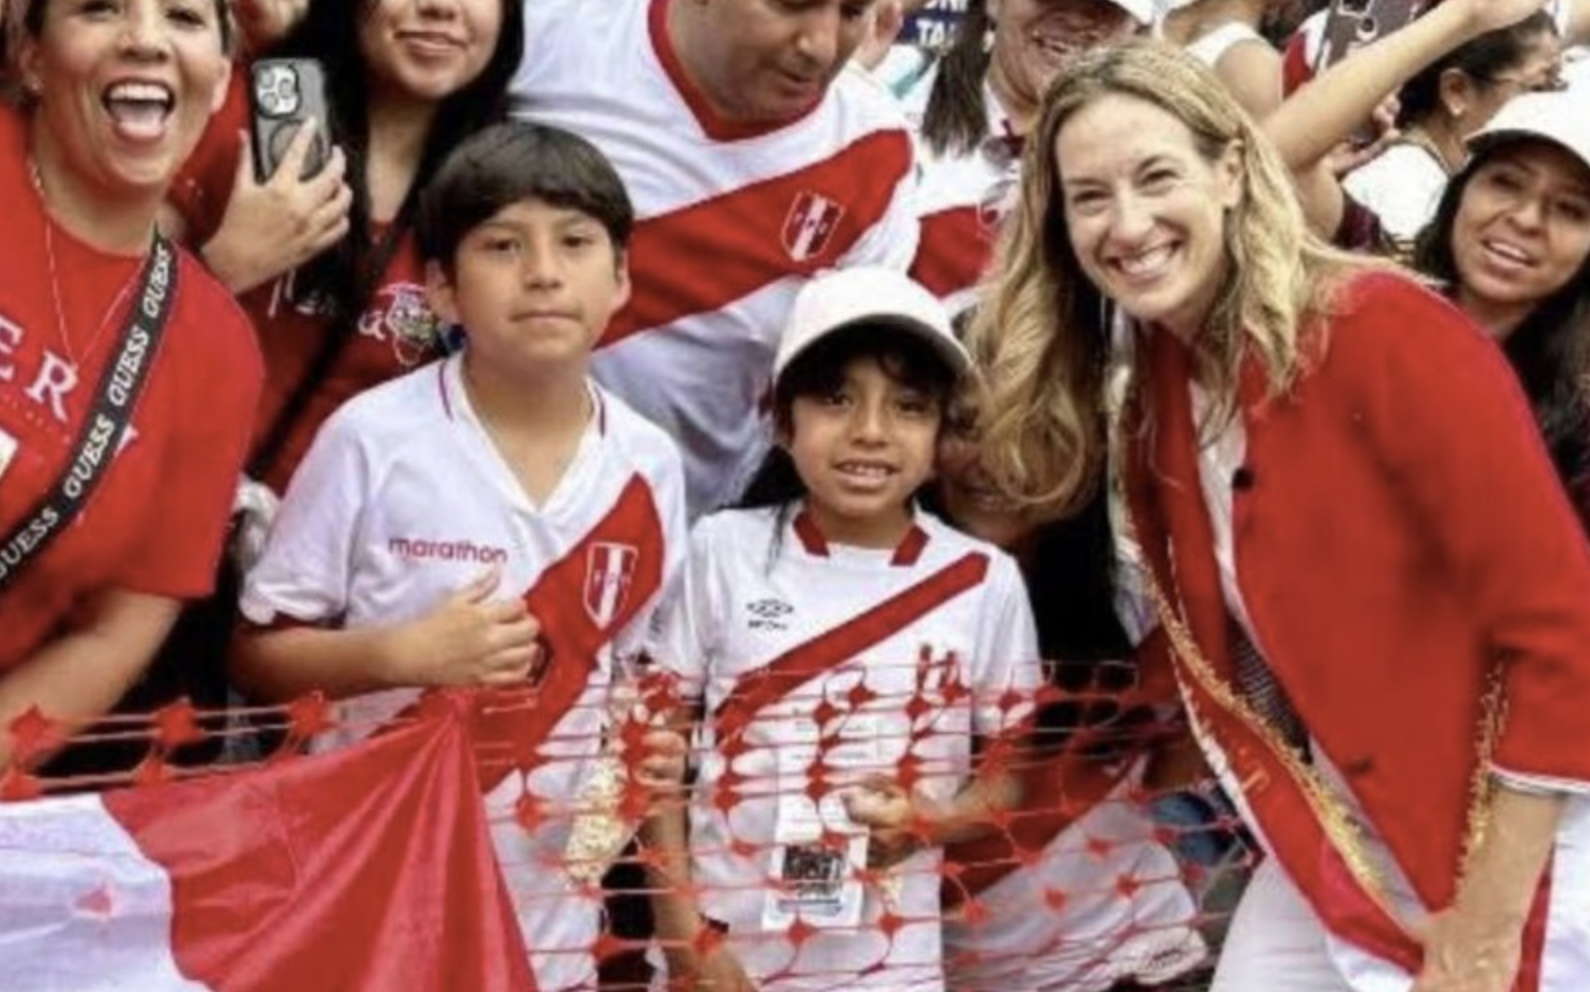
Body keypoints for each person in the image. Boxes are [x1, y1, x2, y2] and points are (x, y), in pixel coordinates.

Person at [971, 38, 1590, 991]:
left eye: (1155, 176)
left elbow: (1565, 633)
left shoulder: (1382, 330)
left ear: (1231, 170)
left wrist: (1485, 928)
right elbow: (1202, 659)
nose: (1127, 224)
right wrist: (979, 806)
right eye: (1090, 195)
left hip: (1527, 838)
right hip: (1344, 824)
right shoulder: (1162, 388)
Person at [231, 122, 688, 992]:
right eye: (503, 246)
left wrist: (619, 814)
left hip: (549, 928)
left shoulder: (651, 465)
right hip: (370, 894)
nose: (545, 272)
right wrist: (397, 655)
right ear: (440, 289)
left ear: (622, 277)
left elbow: (636, 693)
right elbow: (255, 656)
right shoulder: (373, 438)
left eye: (576, 243)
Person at [644, 267, 1042, 990]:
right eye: (835, 399)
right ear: (781, 419)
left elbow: (1008, 781)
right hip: (722, 955)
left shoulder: (985, 582)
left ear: (938, 434)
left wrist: (928, 820)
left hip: (891, 966)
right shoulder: (723, 550)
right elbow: (652, 752)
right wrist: (683, 935)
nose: (870, 431)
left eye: (908, 407)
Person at [509, 0, 920, 518]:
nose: (820, 44)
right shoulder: (541, 41)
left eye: (852, 11)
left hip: (688, 529)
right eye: (793, 3)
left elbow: (849, 377)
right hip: (474, 509)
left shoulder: (875, 146)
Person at [0, 0, 261, 767]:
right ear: (32, 58)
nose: (145, 39)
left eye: (183, 17)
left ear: (219, 81)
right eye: (101, 8)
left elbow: (113, 635)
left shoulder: (216, 350)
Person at [170, 0, 524, 496]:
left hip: (331, 553)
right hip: (161, 503)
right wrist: (221, 270)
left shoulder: (508, 195)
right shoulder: (258, 109)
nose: (441, 8)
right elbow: (95, 320)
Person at [931, 406, 1209, 991]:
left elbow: (1188, 759)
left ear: (1081, 450)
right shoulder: (866, 609)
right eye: (965, 426)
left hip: (1137, 966)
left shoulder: (1137, 599)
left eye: (1030, 432)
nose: (991, 461)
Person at [896, 0, 1151, 314]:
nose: (1076, 18)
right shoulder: (890, 106)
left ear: (1134, 31)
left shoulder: (1156, 152)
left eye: (1105, 6)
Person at [1413, 90, 1590, 524]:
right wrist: (1465, 19)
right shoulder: (1370, 296)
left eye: (1570, 209)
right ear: (1461, 190)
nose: (1527, 219)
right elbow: (1276, 156)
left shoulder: (1580, 427)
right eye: (1506, 182)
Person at [1339, 7, 1559, 251]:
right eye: (1538, 89)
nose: (1550, 107)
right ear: (1457, 91)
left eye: (1557, 88)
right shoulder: (1399, 187)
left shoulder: (1457, 182)